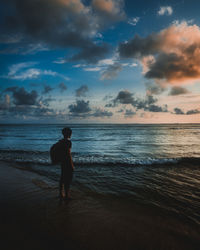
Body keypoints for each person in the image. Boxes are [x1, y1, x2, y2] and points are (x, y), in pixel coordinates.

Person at [59, 127, 74, 201]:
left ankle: (61, 194)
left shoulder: (60, 141)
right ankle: (67, 195)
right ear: (68, 134)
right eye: (70, 133)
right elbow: (69, 154)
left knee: (62, 178)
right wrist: (71, 165)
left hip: (62, 162)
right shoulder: (68, 142)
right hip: (67, 162)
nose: (71, 134)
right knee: (68, 179)